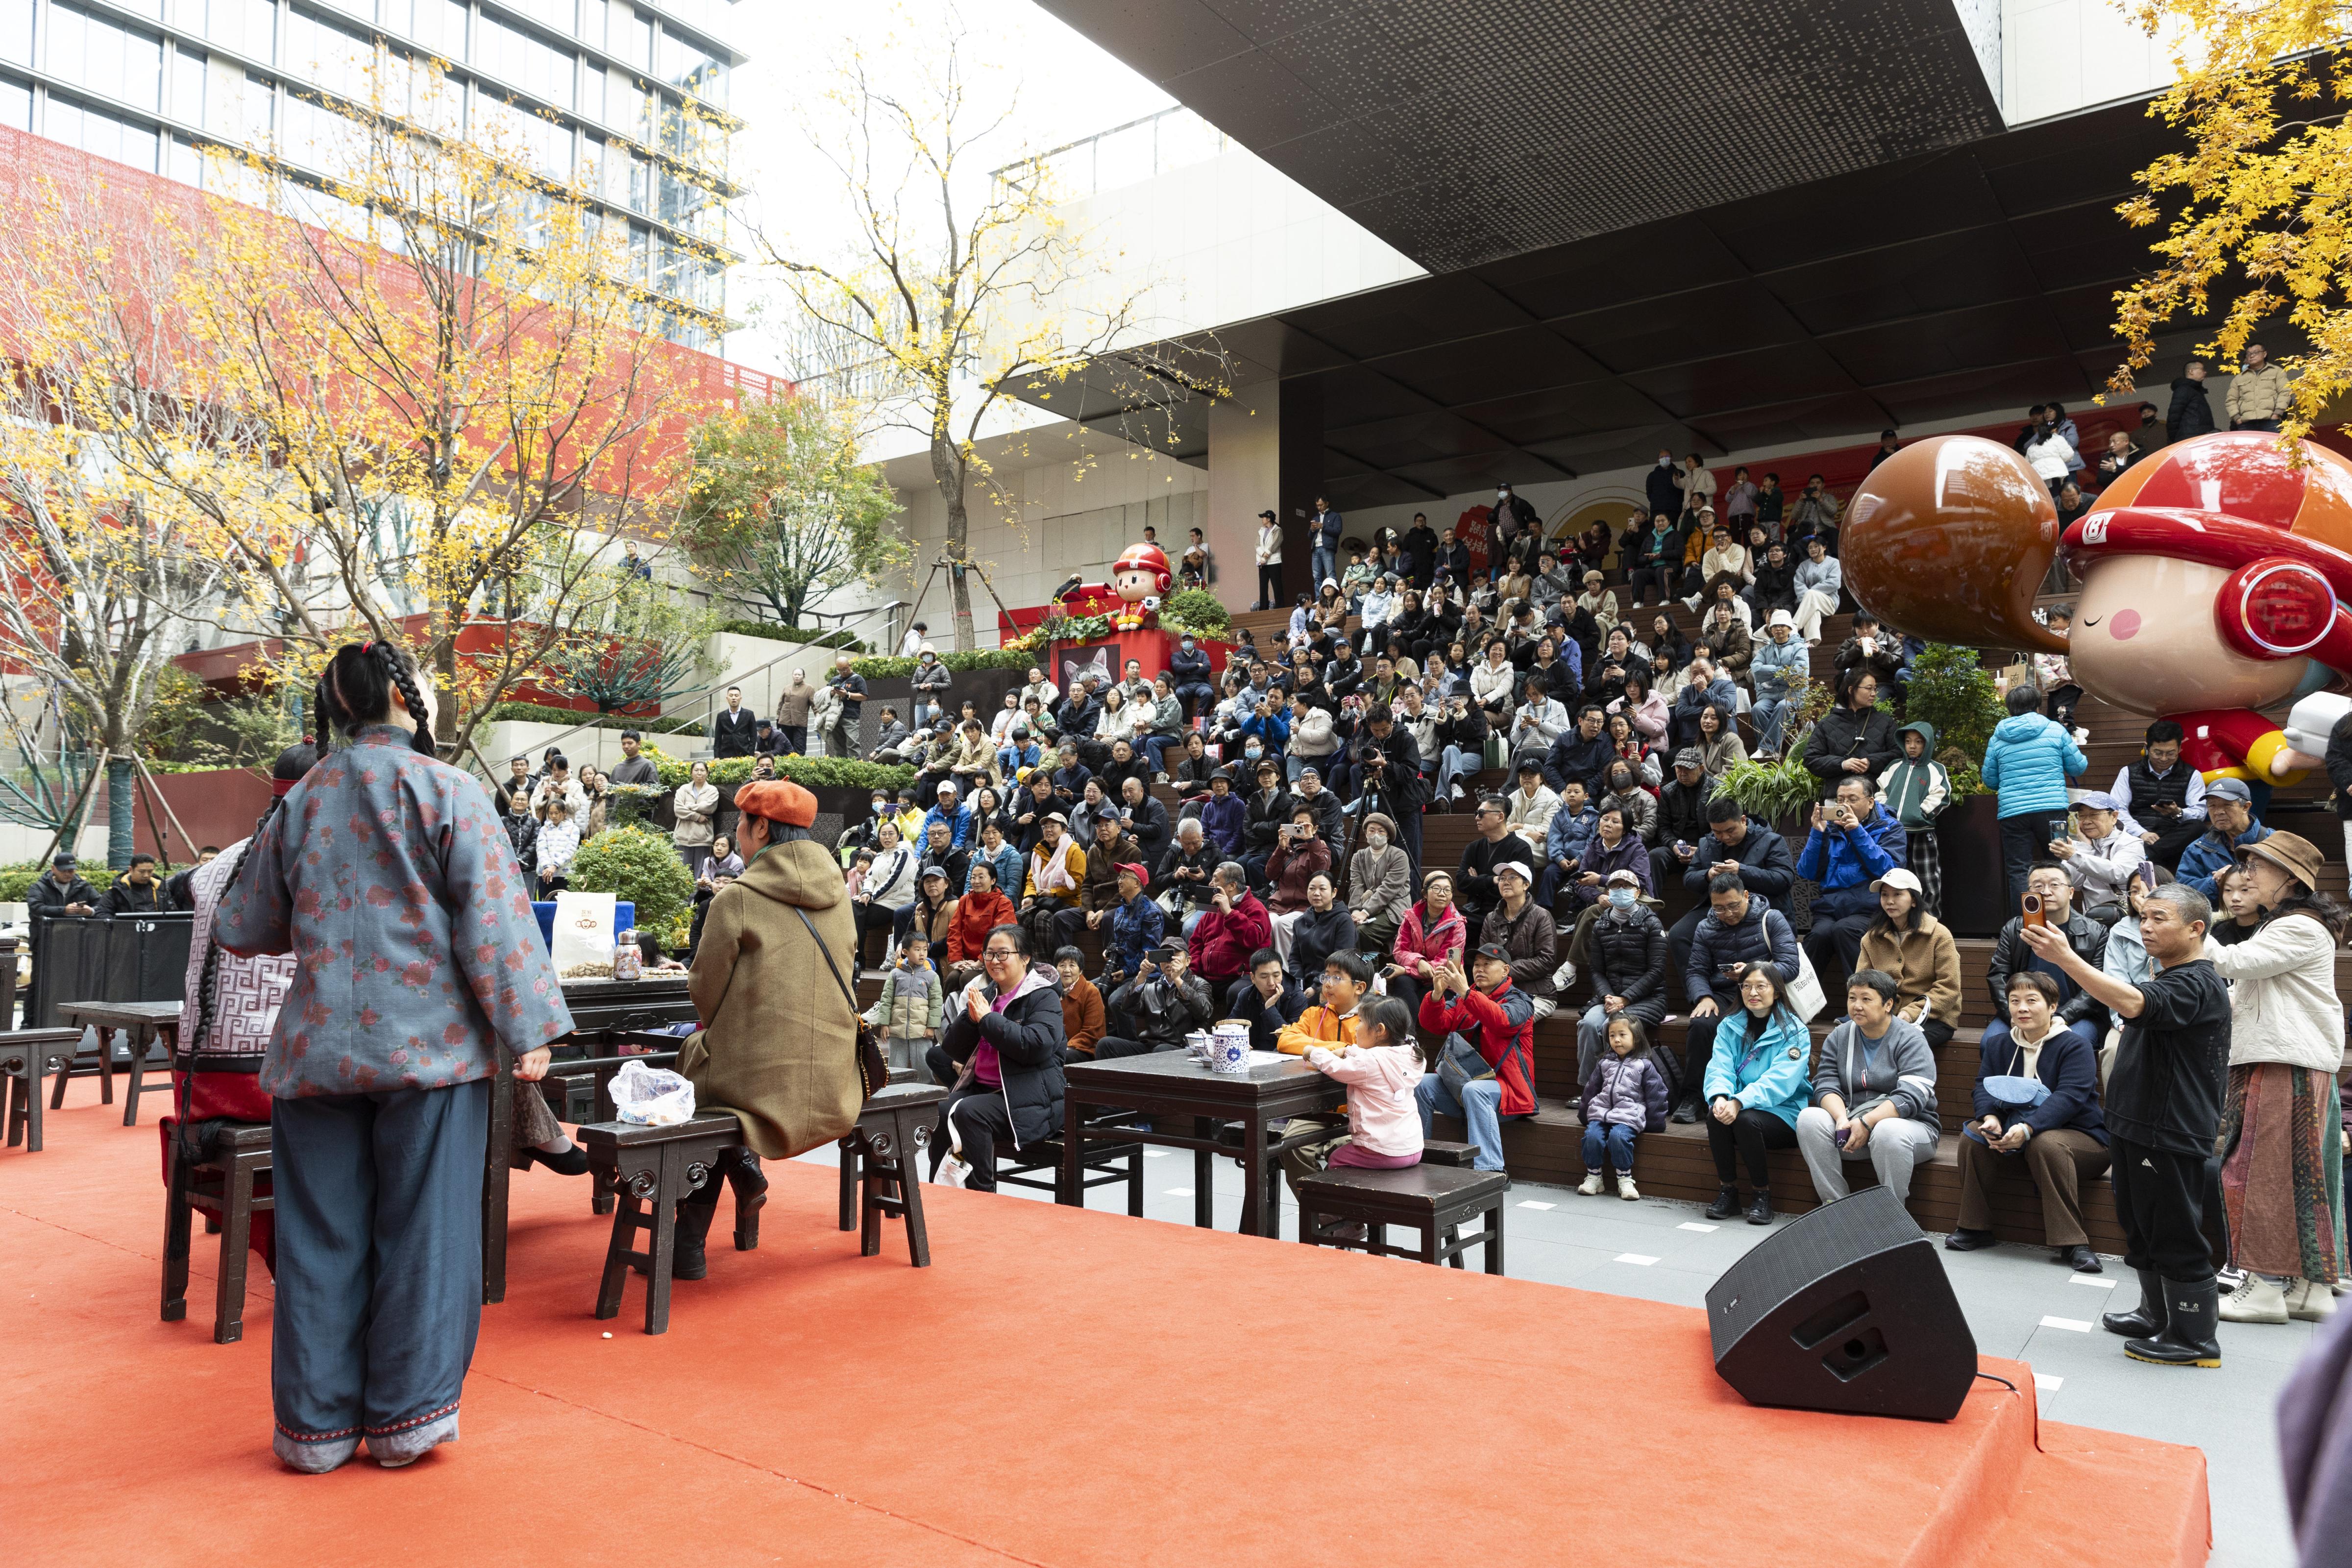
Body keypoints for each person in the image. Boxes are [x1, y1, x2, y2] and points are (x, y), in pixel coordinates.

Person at [214, 640, 571, 1473]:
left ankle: (314, 1433)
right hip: (428, 1050)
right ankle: (407, 1422)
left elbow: (242, 926)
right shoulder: (448, 789)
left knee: (318, 1242)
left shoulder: (302, 800)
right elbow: (494, 923)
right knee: (427, 1236)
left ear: (338, 708)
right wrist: (530, 1031)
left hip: (314, 1053)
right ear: (405, 699)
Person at [2021, 884, 2231, 1367]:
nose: (2146, 927)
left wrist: (2066, 958)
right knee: (2141, 1226)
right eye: (2144, 917)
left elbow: (2135, 1003)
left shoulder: (2197, 982)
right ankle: (2156, 1314)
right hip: (2136, 1126)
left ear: (2196, 928)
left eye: (2160, 918)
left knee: (2174, 1231)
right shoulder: (2171, 976)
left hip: (2169, 1129)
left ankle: (2195, 1339)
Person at [2205, 834, 2347, 1326]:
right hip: (2296, 1060)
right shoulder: (2293, 925)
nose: (2246, 875)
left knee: (2253, 1171)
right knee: (2304, 1176)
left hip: (2283, 1061)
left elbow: (2232, 962)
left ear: (2290, 878)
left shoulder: (2298, 927)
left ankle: (2263, 1286)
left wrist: (2187, 924)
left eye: (2257, 866)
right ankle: (2310, 1289)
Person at [1946, 971, 2111, 1271]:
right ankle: (1974, 1228)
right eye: (2015, 1001)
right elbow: (1983, 1086)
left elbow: (2070, 1098)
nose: (2022, 1008)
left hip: (2082, 1140)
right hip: (2018, 1139)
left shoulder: (2076, 1046)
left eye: (2032, 1001)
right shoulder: (1998, 1045)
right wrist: (1991, 1118)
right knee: (1973, 1134)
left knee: (2046, 1143)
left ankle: (2073, 1243)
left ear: (2052, 1006)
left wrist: (2027, 1128)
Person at [926, 923, 1066, 1193]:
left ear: (1025, 958)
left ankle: (983, 1195)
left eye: (1003, 954)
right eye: (989, 954)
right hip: (984, 1090)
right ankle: (940, 1191)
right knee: (940, 1109)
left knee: (970, 1113)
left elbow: (1036, 1046)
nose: (994, 961)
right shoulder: (987, 994)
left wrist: (988, 1019)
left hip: (1029, 1097)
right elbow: (953, 1048)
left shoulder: (1043, 996)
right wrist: (971, 1019)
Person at [1794, 969, 1942, 1212]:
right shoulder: (1840, 1035)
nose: (1857, 1006)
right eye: (1852, 998)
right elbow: (1826, 1083)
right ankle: (1835, 1206)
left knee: (1888, 1130)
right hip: (1852, 1129)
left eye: (1866, 999)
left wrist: (1867, 1122)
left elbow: (1911, 1096)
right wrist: (1841, 1119)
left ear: (1888, 1005)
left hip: (1910, 1131)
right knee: (1809, 1118)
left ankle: (1893, 1214)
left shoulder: (1911, 1039)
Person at [1676, 871, 1801, 1122]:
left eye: (1733, 906)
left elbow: (1790, 965)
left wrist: (1752, 973)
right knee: (1702, 1024)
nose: (1728, 913)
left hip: (1765, 992)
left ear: (1746, 895)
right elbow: (1696, 970)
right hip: (1725, 994)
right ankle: (1693, 1098)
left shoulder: (1771, 918)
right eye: (1720, 908)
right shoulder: (1706, 927)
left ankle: (1756, 1098)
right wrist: (1703, 997)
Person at [1701, 964, 1813, 1226]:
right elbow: (1720, 1066)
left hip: (1785, 1112)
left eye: (1761, 986)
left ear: (1777, 992)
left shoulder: (1795, 1031)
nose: (1753, 993)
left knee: (1745, 1120)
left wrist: (1740, 1101)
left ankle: (1762, 1195)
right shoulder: (1729, 1026)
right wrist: (1721, 1097)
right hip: (1740, 1105)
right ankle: (1728, 1192)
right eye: (1747, 986)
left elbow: (1781, 1080)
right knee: (1715, 1115)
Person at [1414, 945, 1538, 1174]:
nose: (1479, 969)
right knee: (1421, 1084)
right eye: (1477, 965)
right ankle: (1416, 1154)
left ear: (1505, 971)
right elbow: (1434, 1024)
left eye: (1487, 964)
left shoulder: (1521, 1002)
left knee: (1475, 1090)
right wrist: (1437, 994)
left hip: (1508, 1092)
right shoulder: (1465, 997)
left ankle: (1490, 1170)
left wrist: (1466, 993)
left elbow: (1501, 1021)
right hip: (1464, 1085)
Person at [1272, 951, 1375, 1198]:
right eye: (1326, 976)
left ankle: (1340, 1213)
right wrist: (1336, 1048)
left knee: (1342, 1154)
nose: (1327, 984)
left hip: (1355, 1113)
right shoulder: (1314, 1014)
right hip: (1314, 1109)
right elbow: (1286, 1041)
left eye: (1337, 978)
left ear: (1360, 987)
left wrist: (1313, 1049)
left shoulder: (1371, 1021)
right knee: (1292, 1146)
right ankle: (1318, 1211)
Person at [1795, 775, 1906, 996]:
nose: (1845, 805)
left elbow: (1889, 870)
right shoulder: (1830, 827)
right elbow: (1807, 872)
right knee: (1819, 936)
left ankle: (1864, 999)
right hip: (1830, 907)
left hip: (1870, 908)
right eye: (1840, 800)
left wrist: (1857, 832)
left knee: (1845, 930)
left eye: (1853, 800)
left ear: (1871, 802)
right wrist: (1817, 833)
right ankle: (1798, 1004)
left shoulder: (1890, 827)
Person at [1984, 861, 2109, 1055]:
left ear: (2071, 892)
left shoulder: (2096, 932)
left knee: (2066, 1046)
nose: (2046, 892)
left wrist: (2062, 1016)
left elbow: (2096, 987)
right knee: (1991, 1043)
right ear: (2029, 893)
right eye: (2038, 886)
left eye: (2055, 885)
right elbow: (1998, 976)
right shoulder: (2014, 929)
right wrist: (2011, 1014)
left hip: (2077, 1016)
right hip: (2022, 1011)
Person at [1983, 684, 2085, 910]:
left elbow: (1990, 780)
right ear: (2038, 706)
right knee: (2057, 863)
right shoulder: (2055, 730)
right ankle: (2059, 920)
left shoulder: (1998, 738)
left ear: (2009, 708)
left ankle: (2026, 922)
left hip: (2013, 812)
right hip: (2052, 809)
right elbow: (2078, 768)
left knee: (2019, 869)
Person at [1574, 869, 1668, 1084]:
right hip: (1610, 998)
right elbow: (1596, 970)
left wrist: (1625, 999)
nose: (1620, 890)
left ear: (1638, 893)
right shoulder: (1601, 925)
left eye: (1627, 887)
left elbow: (1656, 971)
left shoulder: (1652, 924)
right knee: (1588, 1024)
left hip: (1648, 998)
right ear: (1608, 891)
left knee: (1613, 1025)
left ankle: (1614, 1087)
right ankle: (1589, 1088)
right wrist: (1608, 996)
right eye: (1615, 886)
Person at [1853, 868, 1962, 1047]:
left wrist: (1911, 1013)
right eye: (1885, 895)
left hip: (1933, 1018)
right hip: (1884, 1014)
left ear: (1914, 900)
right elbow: (1861, 983)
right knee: (1848, 1035)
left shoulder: (1939, 935)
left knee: (1899, 1041)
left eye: (1897, 894)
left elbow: (1949, 988)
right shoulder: (1872, 938)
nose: (1889, 901)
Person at [1577, 1015, 1668, 1200]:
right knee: (1592, 1136)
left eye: (1622, 1035)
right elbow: (1591, 1089)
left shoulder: (1644, 1065)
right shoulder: (1604, 1063)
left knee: (1618, 1137)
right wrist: (1585, 1115)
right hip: (1602, 1112)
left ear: (1636, 1037)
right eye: (1612, 1036)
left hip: (1628, 1114)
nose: (1617, 1040)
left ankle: (1625, 1179)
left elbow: (1657, 1094)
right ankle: (1594, 1177)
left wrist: (1654, 1123)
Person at [1876, 721, 1951, 913]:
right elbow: (1881, 793)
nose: (1912, 746)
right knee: (1895, 879)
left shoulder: (1935, 769)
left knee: (1928, 879)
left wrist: (1921, 813)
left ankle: (1930, 920)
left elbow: (1941, 795)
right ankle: (1899, 920)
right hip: (1893, 833)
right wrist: (1886, 815)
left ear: (1927, 744)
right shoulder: (1894, 767)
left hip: (1922, 832)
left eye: (1919, 742)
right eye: (1908, 741)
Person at [1098, 943, 1213, 1060]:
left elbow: (1204, 1012)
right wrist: (1142, 976)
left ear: (1188, 961)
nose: (1170, 961)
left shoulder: (1200, 985)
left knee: (1161, 1050)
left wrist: (1178, 980)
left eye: (1175, 956)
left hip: (1180, 1048)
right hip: (1150, 1045)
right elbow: (1128, 1007)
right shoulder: (1151, 987)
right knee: (1106, 1044)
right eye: (1165, 956)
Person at [1480, 860, 1558, 1020]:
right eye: (1502, 879)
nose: (1505, 882)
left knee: (1505, 1021)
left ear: (1526, 885)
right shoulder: (1491, 918)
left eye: (1512, 877)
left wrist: (1503, 971)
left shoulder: (1541, 916)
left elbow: (1546, 961)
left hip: (1537, 994)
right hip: (1499, 993)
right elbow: (1484, 958)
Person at [1386, 870, 1466, 1018]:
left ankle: (1408, 1030)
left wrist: (1407, 970)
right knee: (1402, 982)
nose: (1442, 894)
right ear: (1425, 893)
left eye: (1447, 890)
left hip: (1444, 981)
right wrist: (1419, 962)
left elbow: (1448, 963)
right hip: (1416, 976)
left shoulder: (1457, 924)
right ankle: (1409, 1031)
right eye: (1436, 889)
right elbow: (1400, 951)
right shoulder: (1411, 917)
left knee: (1417, 998)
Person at [1803, 667, 1898, 793]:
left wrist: (1871, 762)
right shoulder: (1826, 724)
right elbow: (1811, 759)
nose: (1874, 694)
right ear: (1851, 690)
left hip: (1878, 795)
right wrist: (1843, 764)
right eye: (1869, 688)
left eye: (1875, 689)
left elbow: (1899, 754)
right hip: (1838, 797)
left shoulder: (1886, 722)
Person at [2177, 777, 2272, 900]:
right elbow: (2184, 894)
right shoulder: (2198, 849)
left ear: (2245, 807)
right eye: (2212, 806)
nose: (2218, 812)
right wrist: (2216, 882)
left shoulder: (2273, 841)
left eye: (2227, 805)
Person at [1188, 862, 1273, 996]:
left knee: (1235, 993)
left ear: (1232, 886)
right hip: (1208, 977)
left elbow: (1253, 940)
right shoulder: (1213, 910)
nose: (1211, 884)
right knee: (1183, 986)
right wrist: (1193, 972)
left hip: (1241, 977)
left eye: (1216, 880)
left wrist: (1229, 913)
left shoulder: (1256, 908)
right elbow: (1196, 943)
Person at [864, 935, 944, 1077]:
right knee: (895, 1067)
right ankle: (894, 1089)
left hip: (921, 1032)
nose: (922, 954)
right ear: (906, 952)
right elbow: (886, 1000)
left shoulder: (932, 976)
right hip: (897, 1030)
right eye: (917, 950)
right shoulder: (896, 974)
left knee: (923, 1069)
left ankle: (925, 1090)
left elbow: (936, 1004)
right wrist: (884, 1024)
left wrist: (932, 1026)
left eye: (925, 950)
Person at [854, 817, 919, 966]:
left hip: (897, 902)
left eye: (891, 834)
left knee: (855, 912)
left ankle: (858, 958)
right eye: (883, 834)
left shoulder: (904, 854)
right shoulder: (879, 856)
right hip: (879, 901)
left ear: (898, 836)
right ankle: (858, 958)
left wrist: (871, 897)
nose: (887, 837)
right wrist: (866, 893)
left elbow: (894, 882)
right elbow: (870, 878)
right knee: (854, 911)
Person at [1228, 947, 1307, 1050]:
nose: (1271, 983)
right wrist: (1238, 1042)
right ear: (1253, 978)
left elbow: (1293, 1039)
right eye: (1264, 977)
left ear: (1282, 975)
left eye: (1276, 976)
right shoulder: (1246, 995)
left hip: (1283, 1056)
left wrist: (1270, 1008)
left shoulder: (1296, 998)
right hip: (1253, 1054)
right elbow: (1230, 1026)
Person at [1054, 946, 1106, 1061]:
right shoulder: (1051, 991)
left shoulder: (1091, 992)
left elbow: (1091, 1032)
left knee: (1058, 1059)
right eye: (1062, 965)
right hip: (1057, 1048)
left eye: (1072, 965)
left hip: (1085, 1049)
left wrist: (1065, 1048)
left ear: (1081, 970)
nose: (1067, 970)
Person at [2226, 342, 2292, 432]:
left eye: (2256, 352)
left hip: (2271, 422)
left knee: (2272, 442)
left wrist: (2277, 413)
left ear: (2265, 354)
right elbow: (2231, 400)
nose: (2252, 356)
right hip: (2246, 423)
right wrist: (2237, 418)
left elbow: (2285, 392)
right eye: (2248, 354)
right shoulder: (2239, 378)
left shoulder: (2277, 372)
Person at [1790, 536, 1842, 643]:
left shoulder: (1834, 563)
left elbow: (1834, 583)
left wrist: (1811, 592)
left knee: (1811, 594)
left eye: (1816, 546)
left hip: (1829, 602)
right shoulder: (1803, 566)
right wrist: (1807, 597)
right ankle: (1812, 643)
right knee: (1813, 611)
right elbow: (1799, 584)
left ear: (1824, 547)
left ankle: (1794, 626)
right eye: (1810, 548)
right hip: (1809, 604)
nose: (1813, 549)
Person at [535, 797, 580, 895]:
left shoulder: (573, 829)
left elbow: (570, 850)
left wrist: (555, 866)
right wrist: (547, 867)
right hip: (546, 874)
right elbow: (541, 849)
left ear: (565, 813)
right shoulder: (544, 829)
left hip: (565, 874)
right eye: (551, 813)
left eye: (557, 813)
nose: (554, 816)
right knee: (546, 900)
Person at [2166, 356, 2216, 444]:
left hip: (2198, 438)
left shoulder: (2195, 390)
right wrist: (2177, 439)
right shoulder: (2184, 390)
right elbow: (2174, 417)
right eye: (2202, 369)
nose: (2205, 372)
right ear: (2191, 371)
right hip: (2191, 440)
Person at [99, 853, 164, 915]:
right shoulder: (117, 890)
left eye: (150, 872)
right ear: (131, 870)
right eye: (142, 872)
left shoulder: (161, 889)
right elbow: (102, 913)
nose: (146, 875)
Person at [711, 685, 758, 758]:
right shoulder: (721, 716)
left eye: (736, 696)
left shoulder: (749, 714)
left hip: (744, 752)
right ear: (727, 698)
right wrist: (717, 756)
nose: (734, 698)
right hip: (726, 754)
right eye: (731, 696)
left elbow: (753, 736)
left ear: (740, 698)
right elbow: (718, 738)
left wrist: (751, 754)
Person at [1253, 508, 1284, 609]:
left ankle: (1280, 608)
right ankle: (1263, 608)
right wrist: (1263, 555)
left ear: (1269, 519)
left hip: (1274, 562)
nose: (1262, 519)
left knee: (1277, 586)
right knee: (1263, 587)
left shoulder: (1277, 530)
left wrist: (1265, 557)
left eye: (1264, 517)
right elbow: (1257, 545)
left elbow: (1275, 545)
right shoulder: (1262, 531)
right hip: (1263, 563)